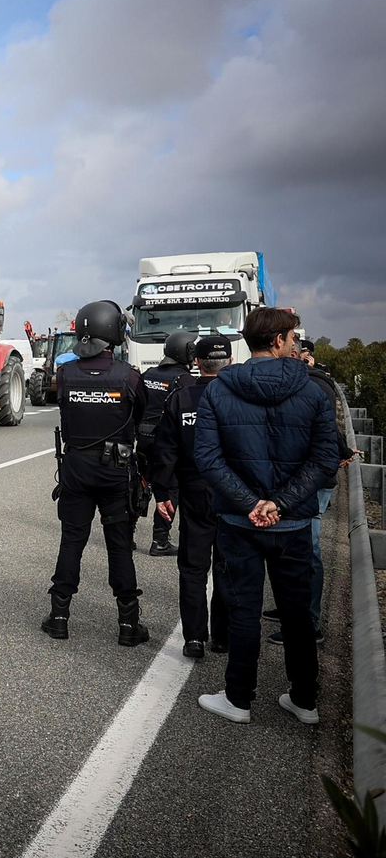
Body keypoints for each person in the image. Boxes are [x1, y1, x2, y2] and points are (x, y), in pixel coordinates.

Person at [194, 308, 338, 725]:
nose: (295, 343)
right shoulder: (311, 391)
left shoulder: (219, 390)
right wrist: (281, 504)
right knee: (296, 612)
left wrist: (250, 503)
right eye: (292, 337)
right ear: (277, 341)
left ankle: (238, 699)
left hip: (240, 523)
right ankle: (305, 700)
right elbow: (325, 459)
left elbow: (208, 457)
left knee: (243, 610)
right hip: (292, 524)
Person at [42, 300, 150, 646]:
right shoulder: (129, 376)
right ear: (113, 333)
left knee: (71, 541)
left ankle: (59, 618)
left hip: (76, 467)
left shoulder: (66, 374)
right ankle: (128, 624)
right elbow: (141, 415)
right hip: (115, 470)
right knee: (119, 546)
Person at [265, 341, 358, 645]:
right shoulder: (308, 382)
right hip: (298, 479)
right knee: (291, 550)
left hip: (313, 480)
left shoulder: (313, 386)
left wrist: (339, 453)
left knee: (309, 549)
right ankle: (292, 610)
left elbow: (328, 428)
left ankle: (310, 622)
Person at [152, 335, 231, 658]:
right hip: (233, 491)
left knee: (193, 567)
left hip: (194, 489)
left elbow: (165, 449)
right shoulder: (239, 396)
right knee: (227, 565)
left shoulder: (181, 397)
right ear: (228, 362)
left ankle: (194, 637)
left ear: (196, 362)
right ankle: (223, 637)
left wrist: (162, 491)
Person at [136, 330, 197, 556]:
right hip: (167, 443)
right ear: (189, 353)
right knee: (169, 488)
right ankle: (160, 540)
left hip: (142, 438)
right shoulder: (187, 381)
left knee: (140, 485)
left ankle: (127, 534)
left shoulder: (148, 373)